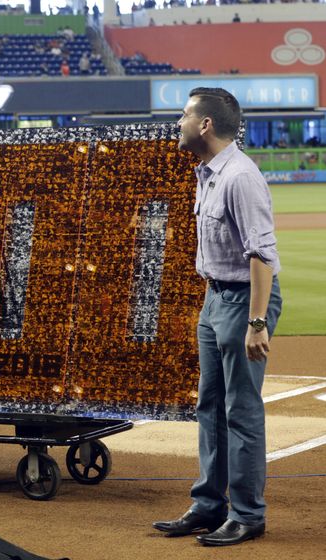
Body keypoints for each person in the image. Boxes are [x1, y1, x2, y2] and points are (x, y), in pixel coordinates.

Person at [153, 87, 282, 546]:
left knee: (241, 411)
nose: (179, 122)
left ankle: (247, 515)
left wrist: (257, 321)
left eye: (185, 115)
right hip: (215, 298)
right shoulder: (207, 173)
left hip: (244, 301)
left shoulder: (239, 177)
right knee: (209, 406)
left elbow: (262, 254)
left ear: (206, 124)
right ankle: (210, 506)